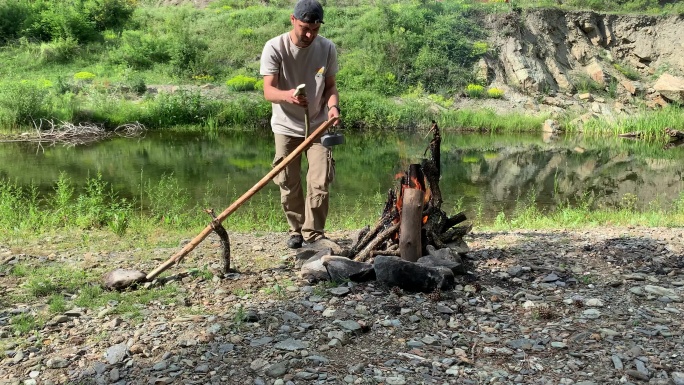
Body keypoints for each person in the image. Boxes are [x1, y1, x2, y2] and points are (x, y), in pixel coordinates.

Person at [259, 0, 341, 249]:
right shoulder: (275, 47)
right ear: (292, 20)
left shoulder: (326, 47)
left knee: (320, 179)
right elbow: (268, 91)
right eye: (305, 28)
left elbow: (330, 87)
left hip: (318, 124)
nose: (309, 35)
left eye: (314, 30)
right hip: (285, 125)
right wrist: (289, 96)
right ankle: (295, 230)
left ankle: (314, 233)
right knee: (288, 180)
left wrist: (334, 108)